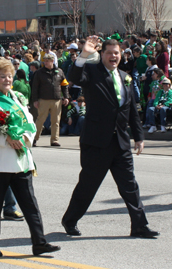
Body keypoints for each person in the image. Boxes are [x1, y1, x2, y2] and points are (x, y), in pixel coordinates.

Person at [61, 36, 159, 238]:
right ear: (102, 55)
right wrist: (84, 55)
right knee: (88, 186)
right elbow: (75, 77)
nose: (113, 56)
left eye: (117, 53)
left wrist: (139, 137)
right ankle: (70, 220)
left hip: (121, 143)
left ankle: (139, 225)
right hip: (96, 142)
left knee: (130, 186)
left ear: (121, 55)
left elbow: (132, 110)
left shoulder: (125, 77)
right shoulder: (92, 72)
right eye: (109, 53)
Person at [0, 58, 61, 257]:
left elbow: (30, 121)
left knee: (30, 204)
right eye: (2, 76)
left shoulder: (16, 97)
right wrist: (7, 138)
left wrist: (24, 138)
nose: (7, 79)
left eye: (10, 76)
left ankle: (39, 242)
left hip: (20, 160)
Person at [32, 53, 70, 147]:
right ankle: (34, 139)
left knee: (56, 121)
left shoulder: (59, 71)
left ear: (52, 61)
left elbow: (65, 85)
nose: (45, 62)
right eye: (44, 60)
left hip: (56, 100)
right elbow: (35, 87)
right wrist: (35, 100)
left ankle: (54, 140)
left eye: (48, 61)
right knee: (40, 120)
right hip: (43, 100)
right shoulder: (39, 72)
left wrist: (66, 97)